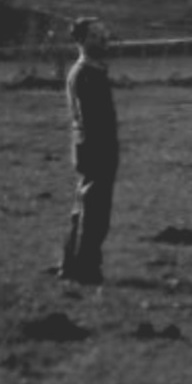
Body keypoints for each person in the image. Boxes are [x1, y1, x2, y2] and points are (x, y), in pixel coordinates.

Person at [58, 16, 119, 285]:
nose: (102, 39)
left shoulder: (91, 71)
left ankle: (71, 265)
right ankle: (86, 268)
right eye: (94, 35)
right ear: (81, 40)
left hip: (90, 147)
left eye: (103, 33)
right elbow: (91, 118)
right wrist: (103, 149)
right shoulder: (85, 74)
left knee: (84, 208)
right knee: (95, 212)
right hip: (96, 148)